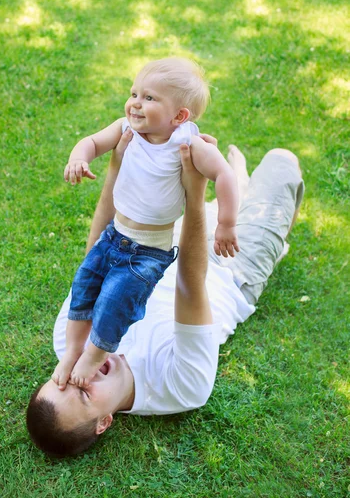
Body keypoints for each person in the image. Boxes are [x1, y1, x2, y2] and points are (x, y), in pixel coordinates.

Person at [26, 137, 304, 458]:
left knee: (189, 171)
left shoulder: (69, 343)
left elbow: (100, 253)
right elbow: (191, 284)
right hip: (231, 269)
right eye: (84, 394)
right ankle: (260, 220)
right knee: (281, 159)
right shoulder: (180, 389)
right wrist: (194, 192)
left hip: (159, 245)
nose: (80, 375)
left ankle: (236, 188)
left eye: (63, 380)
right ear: (104, 422)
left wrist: (118, 162)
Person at [53, 58, 239, 389]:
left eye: (149, 98)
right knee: (82, 289)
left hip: (146, 253)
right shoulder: (126, 129)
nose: (135, 103)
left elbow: (223, 174)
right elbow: (92, 142)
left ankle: (95, 356)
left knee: (115, 303)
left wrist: (225, 223)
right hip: (113, 236)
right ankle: (73, 352)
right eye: (134, 93)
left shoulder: (186, 145)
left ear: (179, 116)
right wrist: (78, 158)